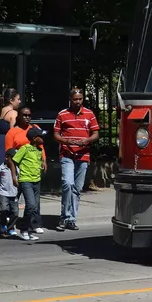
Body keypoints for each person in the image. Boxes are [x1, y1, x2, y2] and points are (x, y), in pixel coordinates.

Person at [54, 87, 99, 231]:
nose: (78, 102)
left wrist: (86, 141)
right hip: (67, 154)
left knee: (77, 188)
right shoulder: (62, 114)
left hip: (83, 155)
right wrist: (66, 142)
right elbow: (56, 134)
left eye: (80, 99)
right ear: (70, 99)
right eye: (75, 99)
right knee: (68, 184)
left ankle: (71, 219)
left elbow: (95, 134)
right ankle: (64, 216)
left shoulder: (89, 114)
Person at [14, 127, 45, 241]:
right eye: (40, 137)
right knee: (31, 205)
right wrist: (14, 176)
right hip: (26, 180)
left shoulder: (39, 150)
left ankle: (31, 229)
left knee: (35, 207)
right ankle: (23, 229)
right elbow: (14, 161)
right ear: (34, 138)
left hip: (36, 181)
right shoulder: (25, 148)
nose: (43, 139)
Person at [0, 148, 19, 237]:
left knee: (15, 212)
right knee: (4, 209)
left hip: (13, 193)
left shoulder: (17, 169)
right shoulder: (1, 168)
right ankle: (3, 224)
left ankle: (11, 228)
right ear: (6, 157)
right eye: (12, 158)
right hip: (3, 193)